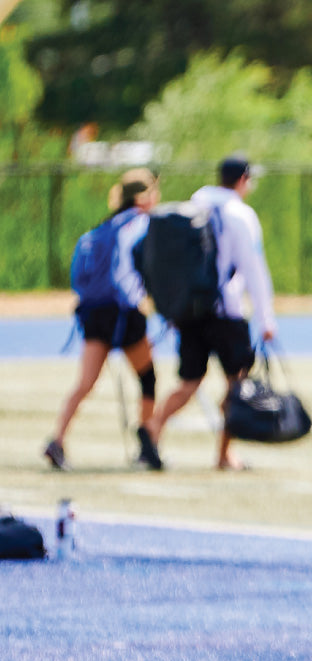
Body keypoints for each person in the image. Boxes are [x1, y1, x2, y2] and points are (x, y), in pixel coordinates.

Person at [145, 155, 278, 470]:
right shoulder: (240, 215)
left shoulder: (194, 206)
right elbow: (254, 269)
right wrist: (266, 318)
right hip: (226, 312)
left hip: (191, 311)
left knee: (188, 382)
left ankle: (151, 436)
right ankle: (224, 454)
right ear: (242, 180)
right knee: (237, 385)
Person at [44, 168, 163, 471]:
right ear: (143, 197)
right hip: (123, 312)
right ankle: (147, 443)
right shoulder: (141, 224)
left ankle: (57, 440)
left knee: (85, 382)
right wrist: (142, 299)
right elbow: (129, 270)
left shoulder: (104, 227)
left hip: (94, 313)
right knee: (147, 377)